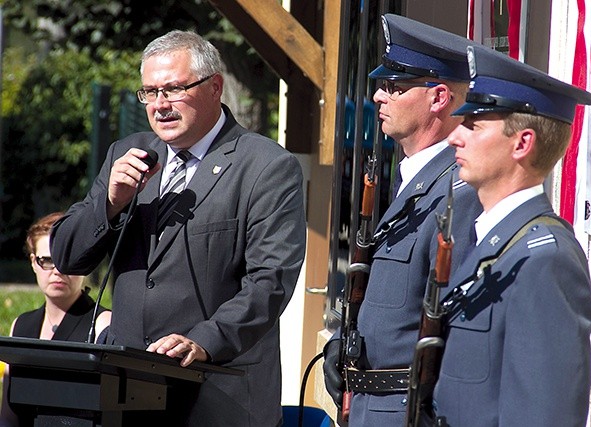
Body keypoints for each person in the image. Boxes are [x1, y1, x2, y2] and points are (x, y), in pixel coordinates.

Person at [50, 30, 306, 427]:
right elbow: (67, 255)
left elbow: (270, 282)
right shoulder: (129, 154)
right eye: (150, 92)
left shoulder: (266, 166)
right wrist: (110, 203)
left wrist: (204, 340)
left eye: (173, 89)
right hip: (127, 393)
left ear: (214, 87)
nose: (160, 105)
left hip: (217, 395)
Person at [322, 14, 483, 425]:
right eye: (381, 85)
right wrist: (342, 343)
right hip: (368, 404)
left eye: (394, 87)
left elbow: (458, 327)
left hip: (408, 410)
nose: (378, 96)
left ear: (439, 97)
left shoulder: (458, 193)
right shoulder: (409, 178)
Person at [432, 44, 591, 426]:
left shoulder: (544, 260)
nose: (456, 138)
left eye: (473, 125)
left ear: (522, 143)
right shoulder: (496, 242)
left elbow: (543, 414)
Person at [0, 211, 111, 426]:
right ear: (33, 262)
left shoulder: (102, 324)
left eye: (68, 260)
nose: (58, 270)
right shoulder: (21, 326)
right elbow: (7, 417)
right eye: (48, 260)